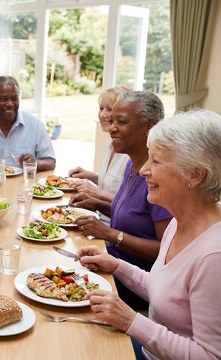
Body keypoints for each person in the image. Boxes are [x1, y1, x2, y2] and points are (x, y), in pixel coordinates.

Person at [78, 109, 221, 360]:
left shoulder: (214, 256)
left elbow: (210, 355)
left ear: (195, 175)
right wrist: (117, 266)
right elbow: (163, 291)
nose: (143, 170)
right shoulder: (179, 221)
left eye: (155, 161)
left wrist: (131, 320)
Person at [70, 91, 172, 309]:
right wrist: (97, 204)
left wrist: (109, 234)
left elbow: (166, 251)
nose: (112, 127)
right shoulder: (131, 164)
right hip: (112, 261)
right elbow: (133, 215)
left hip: (137, 282)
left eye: (122, 122)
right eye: (112, 120)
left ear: (150, 127)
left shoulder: (159, 178)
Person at [68, 86, 131, 224]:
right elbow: (113, 182)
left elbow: (131, 207)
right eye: (101, 108)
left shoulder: (131, 154)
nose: (103, 114)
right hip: (99, 217)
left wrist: (96, 192)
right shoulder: (111, 144)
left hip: (113, 226)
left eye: (109, 109)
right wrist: (89, 175)